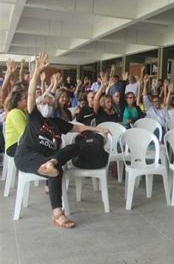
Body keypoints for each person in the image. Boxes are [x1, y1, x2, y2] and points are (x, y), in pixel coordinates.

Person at [14, 52, 109, 229]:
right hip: (27, 156)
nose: (47, 105)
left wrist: (99, 129)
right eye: (45, 102)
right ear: (39, 104)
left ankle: (50, 163)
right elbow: (30, 94)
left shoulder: (57, 122)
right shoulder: (34, 116)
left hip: (47, 159)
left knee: (74, 147)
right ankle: (57, 213)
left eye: (51, 103)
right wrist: (37, 72)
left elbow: (79, 127)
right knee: (55, 171)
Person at [4, 89, 27, 157]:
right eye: (25, 98)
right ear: (18, 102)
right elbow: (24, 132)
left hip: (20, 143)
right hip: (13, 146)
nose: (27, 99)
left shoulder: (23, 112)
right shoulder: (15, 112)